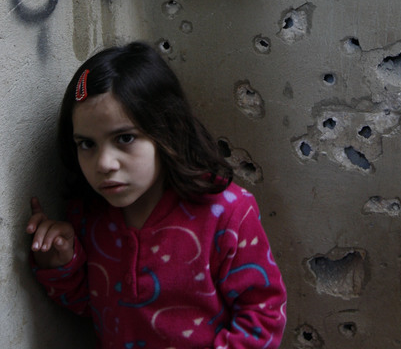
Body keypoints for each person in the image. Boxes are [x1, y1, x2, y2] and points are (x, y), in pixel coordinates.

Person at [27, 42, 286, 349]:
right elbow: (95, 306)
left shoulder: (226, 212)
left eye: (125, 138)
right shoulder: (89, 216)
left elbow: (263, 315)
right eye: (87, 144)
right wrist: (61, 265)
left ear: (168, 131)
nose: (104, 163)